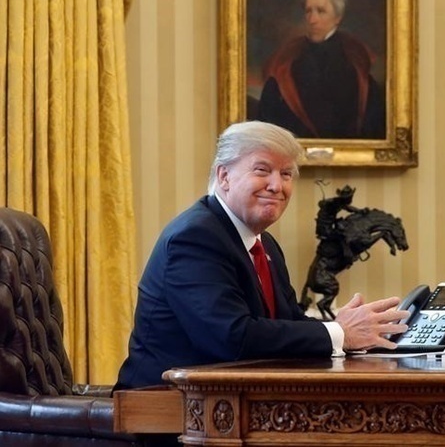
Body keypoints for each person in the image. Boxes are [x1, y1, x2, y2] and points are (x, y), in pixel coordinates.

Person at [114, 121, 408, 391]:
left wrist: (352, 331)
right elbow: (231, 338)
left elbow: (288, 321)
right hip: (163, 407)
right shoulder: (195, 238)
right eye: (262, 170)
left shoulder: (263, 243)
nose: (277, 186)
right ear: (224, 176)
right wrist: (339, 332)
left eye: (286, 174)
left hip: (229, 402)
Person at [256, 0, 385, 139]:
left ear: (337, 18)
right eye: (308, 11)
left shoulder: (355, 57)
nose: (312, 20)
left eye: (321, 11)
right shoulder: (288, 55)